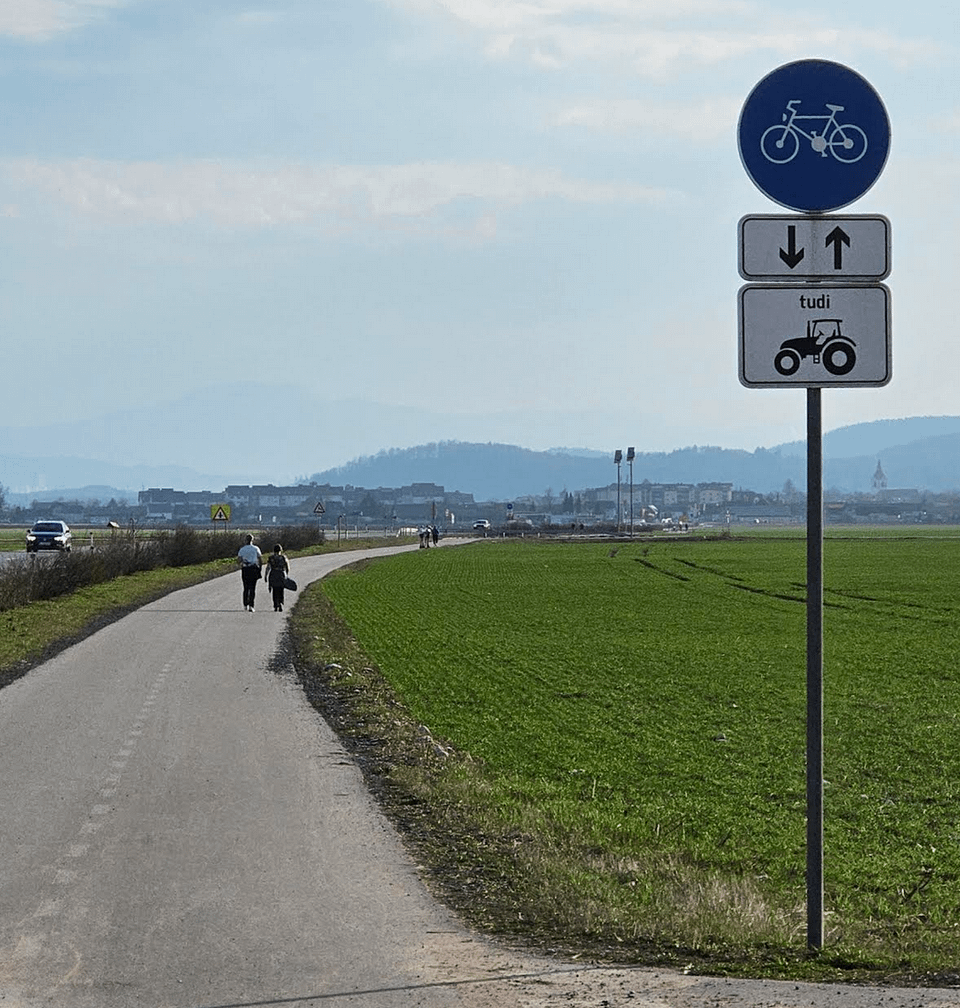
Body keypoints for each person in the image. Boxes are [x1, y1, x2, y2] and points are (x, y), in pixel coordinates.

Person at [237, 534, 262, 611]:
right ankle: (251, 605)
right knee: (252, 588)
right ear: (252, 540)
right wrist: (260, 569)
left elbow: (238, 560)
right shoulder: (255, 548)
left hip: (245, 568)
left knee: (246, 587)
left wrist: (242, 563)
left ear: (245, 540)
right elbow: (260, 559)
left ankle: (245, 604)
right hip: (253, 568)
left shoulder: (242, 549)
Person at [264, 544, 290, 612]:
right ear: (280, 550)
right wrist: (286, 574)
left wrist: (266, 575)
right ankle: (281, 603)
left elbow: (268, 567)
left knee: (274, 590)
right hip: (281, 574)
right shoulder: (283, 557)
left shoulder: (271, 558)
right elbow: (287, 567)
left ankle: (276, 604)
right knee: (281, 589)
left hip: (273, 574)